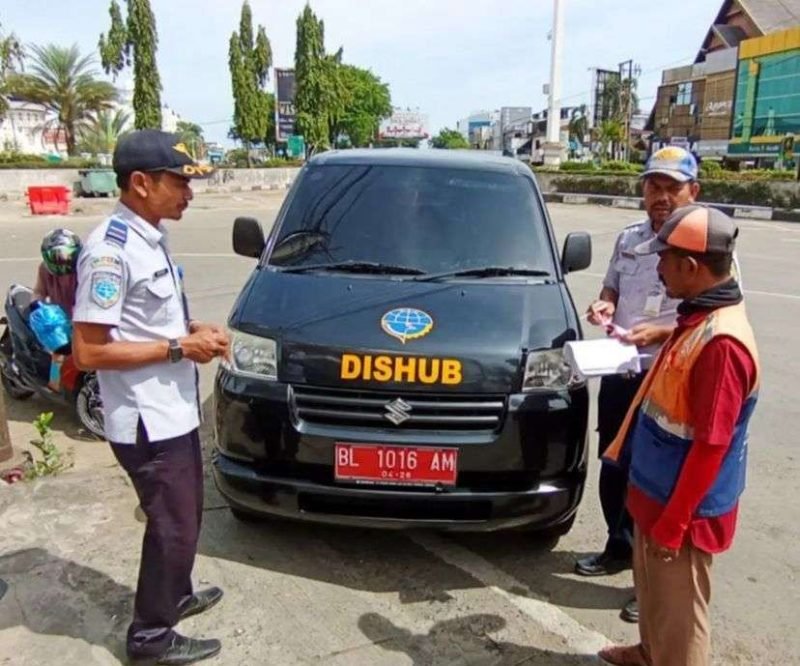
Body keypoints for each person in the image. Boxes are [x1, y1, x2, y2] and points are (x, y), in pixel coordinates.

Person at [72, 129, 229, 665]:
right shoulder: (110, 254)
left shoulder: (150, 238)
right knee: (172, 526)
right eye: (179, 182)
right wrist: (180, 345)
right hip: (145, 420)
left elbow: (145, 320)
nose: (189, 193)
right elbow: (89, 352)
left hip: (173, 410)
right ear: (140, 183)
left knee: (187, 517)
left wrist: (188, 329)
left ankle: (176, 594)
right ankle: (150, 638)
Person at [598, 205, 758, 666]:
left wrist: (675, 521)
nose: (659, 269)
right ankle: (649, 651)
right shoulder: (698, 315)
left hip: (682, 511)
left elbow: (712, 445)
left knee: (682, 614)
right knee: (654, 597)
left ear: (690, 267)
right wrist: (661, 333)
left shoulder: (723, 345)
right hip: (657, 491)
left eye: (664, 260)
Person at [576, 147, 702, 622]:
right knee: (615, 462)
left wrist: (661, 332)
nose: (662, 196)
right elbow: (610, 285)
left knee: (655, 479)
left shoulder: (707, 240)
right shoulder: (630, 238)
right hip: (621, 368)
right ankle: (618, 546)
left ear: (694, 191)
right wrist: (604, 305)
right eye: (654, 186)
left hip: (670, 376)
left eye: (672, 187)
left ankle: (644, 583)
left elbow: (719, 312)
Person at [31, 228, 81, 389]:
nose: (61, 264)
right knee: (59, 354)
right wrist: (36, 305)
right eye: (56, 260)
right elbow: (39, 291)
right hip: (59, 318)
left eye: (65, 258)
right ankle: (54, 385)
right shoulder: (45, 270)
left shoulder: (83, 270)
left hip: (81, 316)